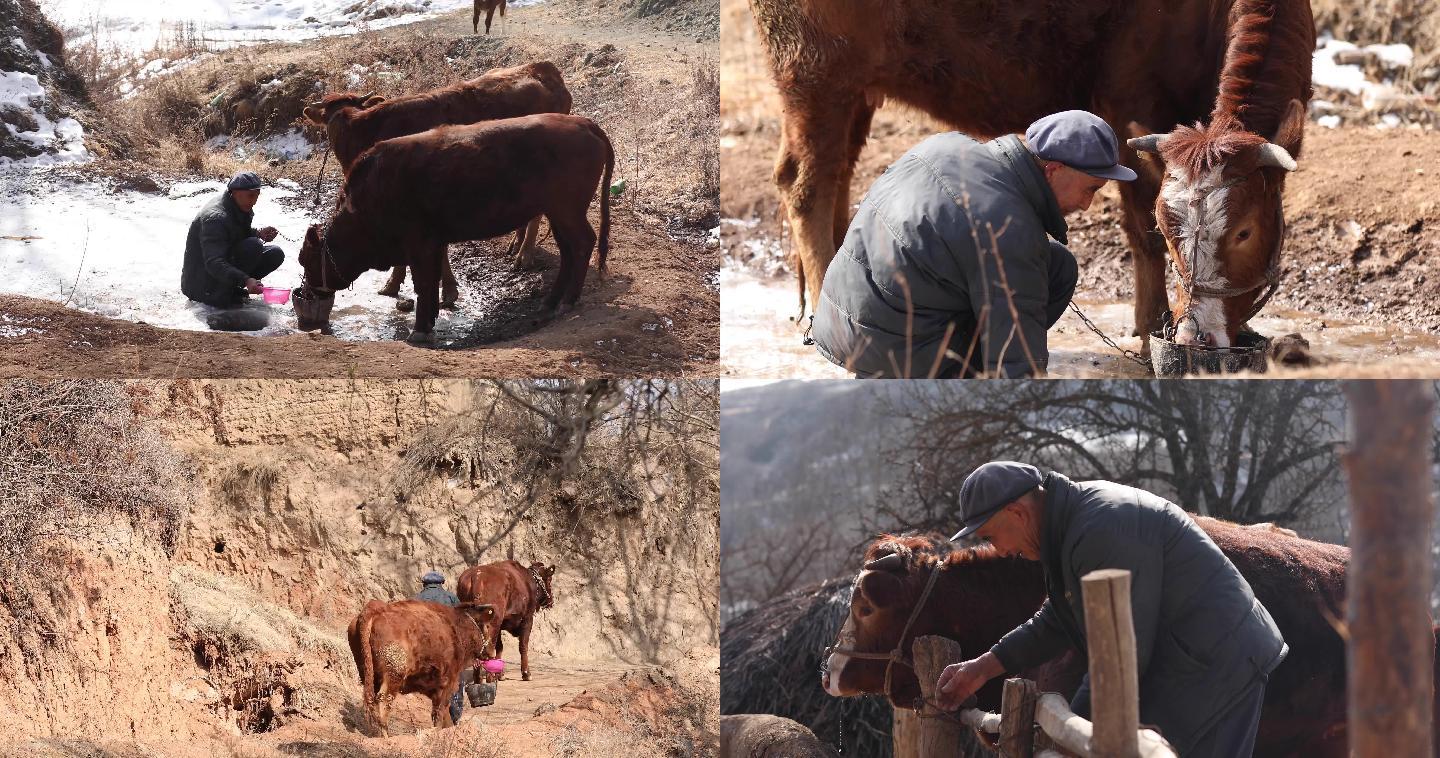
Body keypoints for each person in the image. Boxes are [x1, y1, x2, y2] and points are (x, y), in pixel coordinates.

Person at [935, 461, 1286, 758]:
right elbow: (1058, 618)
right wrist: (982, 668)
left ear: (1017, 512)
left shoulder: (1099, 529)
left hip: (1220, 660)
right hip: (1195, 658)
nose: (998, 549)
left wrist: (1076, 734)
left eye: (989, 536)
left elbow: (1120, 654)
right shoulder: (1069, 527)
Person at [810, 111, 1137, 377]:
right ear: (1053, 169)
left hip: (839, 325)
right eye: (1091, 189)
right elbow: (1017, 362)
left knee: (1056, 265)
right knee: (1049, 270)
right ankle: (950, 382)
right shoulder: (1009, 228)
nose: (1086, 206)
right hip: (890, 353)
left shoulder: (943, 145)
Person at [181, 171, 284, 308]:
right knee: (254, 246)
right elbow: (214, 262)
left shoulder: (239, 206)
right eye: (250, 196)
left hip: (220, 266)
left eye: (257, 195)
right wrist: (246, 280)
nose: (254, 201)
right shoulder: (216, 218)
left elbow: (233, 233)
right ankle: (219, 294)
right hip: (200, 285)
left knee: (275, 253)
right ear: (235, 193)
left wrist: (258, 233)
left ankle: (230, 289)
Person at [413, 570, 467, 725]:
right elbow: (462, 624)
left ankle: (436, 714)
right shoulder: (451, 598)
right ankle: (454, 715)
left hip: (424, 652)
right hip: (448, 649)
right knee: (455, 680)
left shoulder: (415, 600)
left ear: (424, 584)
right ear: (441, 584)